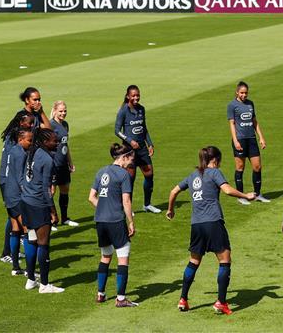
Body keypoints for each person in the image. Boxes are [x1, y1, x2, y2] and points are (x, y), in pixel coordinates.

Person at [167, 146, 256, 314]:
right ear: (215, 160)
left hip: (196, 225)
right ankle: (221, 302)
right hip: (213, 222)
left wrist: (171, 209)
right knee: (224, 260)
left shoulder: (192, 176)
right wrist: (246, 196)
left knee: (193, 262)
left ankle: (183, 299)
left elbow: (174, 191)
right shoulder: (214, 173)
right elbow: (227, 190)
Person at [0, 88, 51, 262]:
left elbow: (49, 132)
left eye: (39, 99)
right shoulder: (22, 123)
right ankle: (13, 255)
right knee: (20, 220)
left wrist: (42, 112)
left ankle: (12, 255)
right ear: (27, 100)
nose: (38, 102)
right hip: (10, 180)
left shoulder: (33, 118)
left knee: (15, 217)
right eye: (35, 99)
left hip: (14, 180)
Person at [89, 143, 137, 307]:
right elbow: (126, 201)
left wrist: (103, 208)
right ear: (124, 157)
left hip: (100, 221)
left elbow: (91, 197)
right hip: (116, 221)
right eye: (130, 158)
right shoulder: (123, 175)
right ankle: (121, 299)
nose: (131, 161)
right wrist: (130, 221)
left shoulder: (101, 171)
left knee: (105, 256)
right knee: (123, 258)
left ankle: (100, 294)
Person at [21, 128, 63, 293]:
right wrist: (53, 211)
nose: (57, 143)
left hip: (26, 203)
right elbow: (47, 190)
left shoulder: (33, 152)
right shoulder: (47, 159)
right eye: (54, 140)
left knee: (31, 240)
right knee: (43, 244)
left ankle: (31, 279)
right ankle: (45, 285)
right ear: (45, 142)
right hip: (39, 205)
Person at [115, 85, 160, 213]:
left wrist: (150, 143)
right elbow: (117, 130)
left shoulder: (142, 109)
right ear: (128, 96)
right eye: (133, 95)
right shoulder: (123, 111)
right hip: (129, 151)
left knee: (149, 174)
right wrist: (129, 140)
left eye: (137, 95)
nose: (136, 98)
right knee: (130, 179)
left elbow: (144, 128)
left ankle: (147, 204)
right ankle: (127, 206)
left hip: (142, 149)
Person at [227, 81, 269, 204]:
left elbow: (255, 122)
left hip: (251, 139)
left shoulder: (250, 104)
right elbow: (231, 124)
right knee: (240, 167)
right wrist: (235, 141)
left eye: (246, 93)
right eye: (242, 93)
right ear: (237, 92)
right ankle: (241, 196)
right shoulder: (232, 105)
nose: (244, 95)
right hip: (240, 140)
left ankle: (257, 194)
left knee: (257, 166)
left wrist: (261, 137)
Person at [2, 125, 34, 276]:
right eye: (29, 140)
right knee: (27, 231)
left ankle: (15, 267)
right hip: (16, 196)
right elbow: (21, 177)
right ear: (21, 140)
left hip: (8, 194)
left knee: (15, 229)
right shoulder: (21, 154)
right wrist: (28, 193)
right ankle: (29, 270)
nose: (31, 143)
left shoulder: (13, 149)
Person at [50, 101, 78, 227]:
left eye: (65, 111)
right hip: (53, 164)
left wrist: (70, 162)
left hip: (63, 164)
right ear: (55, 110)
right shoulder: (51, 125)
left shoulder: (65, 125)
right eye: (61, 111)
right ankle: (51, 221)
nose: (63, 113)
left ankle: (65, 218)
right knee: (51, 192)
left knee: (65, 189)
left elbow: (65, 145)